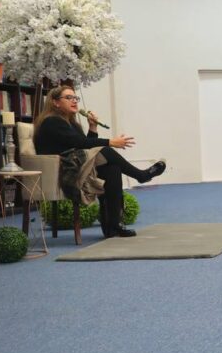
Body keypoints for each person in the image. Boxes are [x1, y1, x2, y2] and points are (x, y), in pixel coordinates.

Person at [34, 85, 166, 238]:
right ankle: (140, 175)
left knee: (113, 169)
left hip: (77, 164)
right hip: (64, 170)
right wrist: (110, 142)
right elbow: (81, 144)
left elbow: (85, 144)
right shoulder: (52, 122)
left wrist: (93, 127)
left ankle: (113, 227)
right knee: (105, 149)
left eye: (75, 98)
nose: (74, 101)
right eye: (68, 98)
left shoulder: (71, 123)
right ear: (55, 102)